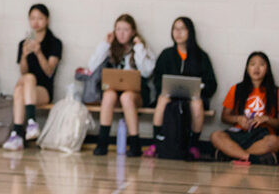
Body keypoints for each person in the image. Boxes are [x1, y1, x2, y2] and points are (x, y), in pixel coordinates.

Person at [146, 17, 217, 159]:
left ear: (190, 32)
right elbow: (157, 78)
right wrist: (165, 88)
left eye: (182, 29)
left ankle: (193, 145)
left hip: (193, 96)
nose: (178, 32)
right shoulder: (166, 55)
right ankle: (157, 142)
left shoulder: (201, 56)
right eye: (175, 29)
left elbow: (212, 84)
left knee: (197, 104)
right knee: (162, 99)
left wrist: (199, 88)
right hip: (170, 95)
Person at [88, 14, 156, 157]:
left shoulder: (141, 48)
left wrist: (138, 48)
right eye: (118, 29)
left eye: (125, 29)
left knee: (126, 97)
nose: (121, 33)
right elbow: (91, 66)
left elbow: (146, 71)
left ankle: (135, 144)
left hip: (136, 93)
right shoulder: (111, 48)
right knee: (108, 94)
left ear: (133, 32)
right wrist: (105, 44)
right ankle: (102, 142)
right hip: (115, 91)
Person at [3, 3, 62, 151]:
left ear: (47, 20)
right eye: (32, 18)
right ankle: (29, 124)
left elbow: (49, 71)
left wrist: (38, 52)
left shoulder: (55, 43)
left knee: (21, 88)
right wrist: (24, 55)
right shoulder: (24, 43)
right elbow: (23, 72)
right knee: (26, 80)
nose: (36, 22)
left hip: (43, 89)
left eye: (40, 18)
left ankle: (17, 133)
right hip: (28, 85)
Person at [210, 52, 279, 165]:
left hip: (262, 136)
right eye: (252, 64)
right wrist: (238, 119)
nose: (256, 68)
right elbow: (225, 117)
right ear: (247, 68)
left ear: (267, 69)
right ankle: (248, 157)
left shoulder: (276, 92)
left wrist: (266, 119)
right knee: (215, 136)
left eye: (261, 64)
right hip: (239, 133)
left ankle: (231, 154)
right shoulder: (236, 89)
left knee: (275, 141)